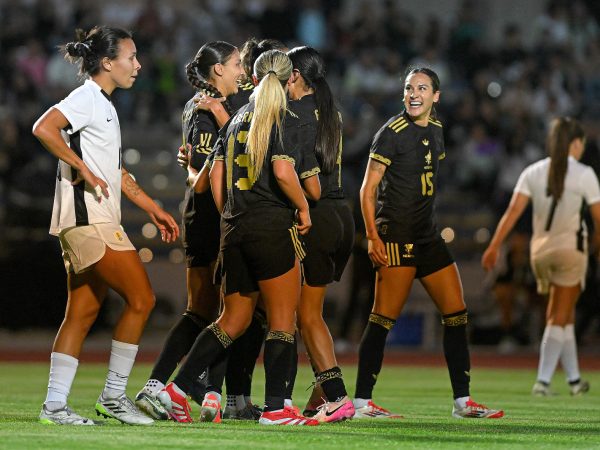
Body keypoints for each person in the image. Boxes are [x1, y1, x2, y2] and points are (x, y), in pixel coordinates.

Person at [157, 49, 321, 426]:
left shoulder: (235, 119)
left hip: (234, 230)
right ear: (289, 79)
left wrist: (231, 214)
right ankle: (276, 408)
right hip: (271, 228)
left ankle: (175, 390)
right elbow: (283, 171)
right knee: (282, 321)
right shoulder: (284, 117)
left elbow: (213, 176)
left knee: (231, 320)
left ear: (255, 77)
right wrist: (303, 207)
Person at [32, 26, 179, 426]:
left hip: (86, 220)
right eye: (131, 58)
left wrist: (151, 207)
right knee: (142, 299)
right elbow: (43, 127)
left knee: (82, 312)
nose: (138, 65)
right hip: (89, 220)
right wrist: (80, 167)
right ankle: (113, 396)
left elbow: (115, 171)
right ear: (108, 63)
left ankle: (54, 406)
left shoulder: (104, 105)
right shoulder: (87, 98)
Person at [355, 67, 504, 419]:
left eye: (422, 88)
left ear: (436, 96)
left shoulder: (436, 128)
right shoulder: (390, 133)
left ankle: (462, 402)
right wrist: (373, 236)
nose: (414, 94)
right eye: (409, 88)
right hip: (397, 235)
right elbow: (367, 190)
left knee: (457, 313)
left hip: (428, 236)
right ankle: (361, 403)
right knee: (382, 318)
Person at [135, 41, 244, 422]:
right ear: (219, 70)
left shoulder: (208, 105)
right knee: (218, 310)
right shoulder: (207, 108)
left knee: (208, 311)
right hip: (213, 217)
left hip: (205, 216)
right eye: (236, 64)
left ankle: (180, 389)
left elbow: (194, 165)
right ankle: (190, 390)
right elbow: (203, 173)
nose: (242, 71)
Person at [482, 116, 600, 396]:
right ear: (575, 143)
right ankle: (543, 381)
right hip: (570, 250)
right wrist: (595, 247)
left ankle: (574, 380)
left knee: (563, 314)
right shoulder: (584, 173)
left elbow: (512, 212)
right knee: (559, 316)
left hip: (540, 253)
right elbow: (599, 219)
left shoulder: (533, 171)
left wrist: (494, 245)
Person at [285, 46, 355, 422]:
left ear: (295, 75)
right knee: (312, 313)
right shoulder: (331, 111)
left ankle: (338, 396)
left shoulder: (294, 112)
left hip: (318, 214)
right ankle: (320, 395)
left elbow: (301, 178)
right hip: (342, 215)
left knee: (307, 316)